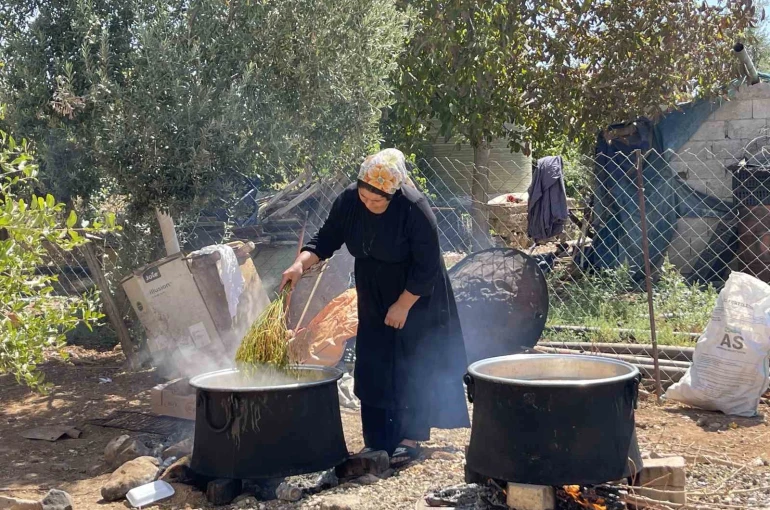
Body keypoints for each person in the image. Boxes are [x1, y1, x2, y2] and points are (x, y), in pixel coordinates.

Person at [281, 148, 470, 466]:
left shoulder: (414, 208)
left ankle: (409, 438)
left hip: (416, 294)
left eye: (376, 201)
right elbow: (326, 238)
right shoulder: (350, 200)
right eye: (365, 198)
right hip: (372, 287)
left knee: (411, 359)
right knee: (374, 359)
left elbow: (427, 267)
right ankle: (378, 440)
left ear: (393, 195)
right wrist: (300, 265)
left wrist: (403, 304)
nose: (369, 204)